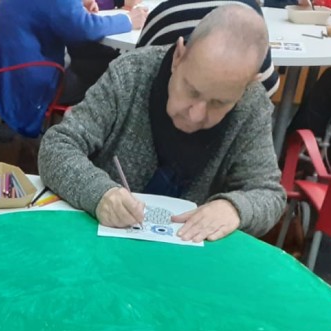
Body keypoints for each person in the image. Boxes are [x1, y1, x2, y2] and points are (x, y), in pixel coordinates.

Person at [38, 5, 285, 243]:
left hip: (189, 258)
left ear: (247, 86)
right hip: (103, 244)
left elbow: (269, 194)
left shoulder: (251, 105)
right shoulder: (131, 74)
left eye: (219, 103)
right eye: (192, 91)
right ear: (178, 56)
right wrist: (100, 193)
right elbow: (57, 146)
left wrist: (234, 208)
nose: (196, 115)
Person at [0, 0, 148, 139]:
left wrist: (78, 7)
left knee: (95, 59)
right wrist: (128, 20)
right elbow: (85, 29)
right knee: (117, 74)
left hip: (5, 75)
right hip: (30, 87)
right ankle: (103, 149)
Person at [137, 0, 279, 95]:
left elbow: (138, 75)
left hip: (159, 117)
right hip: (232, 122)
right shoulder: (251, 13)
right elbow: (268, 86)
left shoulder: (164, 14)